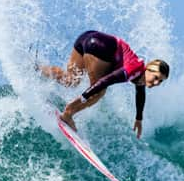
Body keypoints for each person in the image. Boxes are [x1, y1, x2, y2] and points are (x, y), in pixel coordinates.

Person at [39, 30, 169, 138]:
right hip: (101, 47)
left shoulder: (140, 73)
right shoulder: (134, 69)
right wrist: (84, 97)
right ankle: (68, 114)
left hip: (87, 37)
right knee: (99, 92)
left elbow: (140, 93)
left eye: (160, 81)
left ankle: (36, 68)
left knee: (71, 80)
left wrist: (138, 119)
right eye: (156, 77)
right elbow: (105, 81)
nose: (157, 82)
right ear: (149, 68)